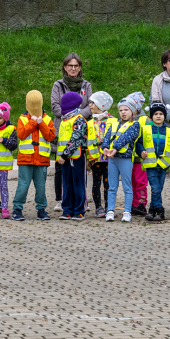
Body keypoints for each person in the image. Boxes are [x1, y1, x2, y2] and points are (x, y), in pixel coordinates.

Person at [49, 53, 92, 212]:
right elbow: (55, 106)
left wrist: (77, 115)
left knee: (78, 169)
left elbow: (91, 105)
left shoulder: (86, 85)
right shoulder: (58, 85)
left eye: (76, 66)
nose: (73, 68)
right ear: (65, 67)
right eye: (70, 65)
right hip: (62, 128)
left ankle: (81, 201)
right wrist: (69, 114)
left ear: (80, 68)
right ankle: (61, 200)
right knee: (61, 167)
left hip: (80, 130)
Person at [13, 90, 55, 222]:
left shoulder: (47, 119)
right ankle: (17, 209)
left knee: (41, 186)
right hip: (26, 159)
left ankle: (41, 209)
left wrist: (41, 122)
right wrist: (32, 122)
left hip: (41, 159)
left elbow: (50, 136)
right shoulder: (22, 119)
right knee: (23, 185)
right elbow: (21, 134)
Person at [103, 95, 142, 223]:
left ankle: (127, 211)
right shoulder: (114, 124)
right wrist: (105, 148)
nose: (123, 113)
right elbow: (107, 137)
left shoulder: (135, 125)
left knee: (127, 187)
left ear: (132, 112)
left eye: (126, 110)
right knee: (112, 186)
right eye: (121, 110)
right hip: (113, 159)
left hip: (125, 159)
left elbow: (126, 137)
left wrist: (115, 148)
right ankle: (110, 211)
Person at [56, 91, 89, 220]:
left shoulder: (79, 119)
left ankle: (79, 210)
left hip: (76, 157)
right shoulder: (65, 120)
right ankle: (67, 209)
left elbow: (75, 139)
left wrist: (64, 155)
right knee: (67, 184)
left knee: (78, 183)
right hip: (64, 159)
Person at [141, 103, 170, 223]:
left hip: (163, 165)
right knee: (155, 188)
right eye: (155, 114)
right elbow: (139, 143)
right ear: (151, 116)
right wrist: (141, 152)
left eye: (161, 114)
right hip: (151, 165)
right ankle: (160, 210)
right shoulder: (145, 129)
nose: (158, 116)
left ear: (164, 116)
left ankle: (152, 210)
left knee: (158, 189)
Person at [86, 92, 116, 218]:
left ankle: (109, 206)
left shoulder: (113, 121)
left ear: (100, 104)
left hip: (110, 159)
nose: (90, 105)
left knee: (108, 184)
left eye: (92, 103)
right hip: (95, 159)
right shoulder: (89, 123)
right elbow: (86, 141)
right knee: (96, 183)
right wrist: (88, 159)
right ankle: (98, 207)